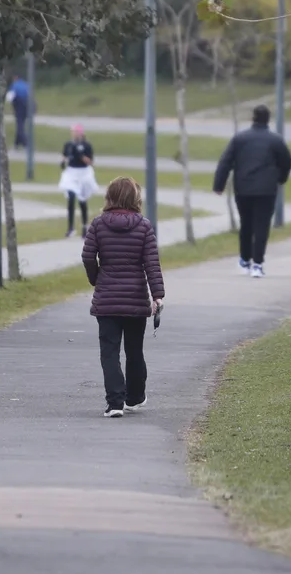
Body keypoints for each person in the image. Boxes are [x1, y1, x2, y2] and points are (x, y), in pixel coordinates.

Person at [81, 177, 165, 418]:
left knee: (109, 351)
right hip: (135, 300)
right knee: (134, 350)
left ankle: (115, 403)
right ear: (135, 199)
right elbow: (152, 263)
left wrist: (96, 278)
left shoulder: (98, 225)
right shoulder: (144, 226)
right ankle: (135, 397)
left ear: (110, 197)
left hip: (106, 299)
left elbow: (88, 257)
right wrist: (157, 295)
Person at [213, 104, 291, 278]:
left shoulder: (240, 139)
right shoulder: (275, 140)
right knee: (262, 226)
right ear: (268, 119)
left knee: (246, 224)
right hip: (266, 189)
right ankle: (258, 263)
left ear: (253, 118)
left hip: (243, 188)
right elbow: (287, 162)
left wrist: (219, 185)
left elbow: (225, 161)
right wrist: (280, 178)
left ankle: (244, 259)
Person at [59, 124, 97, 237]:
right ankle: (70, 227)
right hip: (72, 172)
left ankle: (85, 226)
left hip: (83, 173)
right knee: (71, 197)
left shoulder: (86, 145)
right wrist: (62, 161)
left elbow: (90, 161)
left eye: (75, 131)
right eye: (72, 131)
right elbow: (64, 155)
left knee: (82, 200)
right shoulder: (69, 144)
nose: (73, 133)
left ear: (80, 133)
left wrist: (81, 156)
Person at [6, 76, 32, 147]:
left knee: (20, 125)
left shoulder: (14, 85)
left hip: (19, 106)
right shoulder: (26, 85)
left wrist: (12, 107)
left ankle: (25, 142)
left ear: (15, 78)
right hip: (27, 106)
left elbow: (9, 98)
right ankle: (16, 143)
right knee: (21, 123)